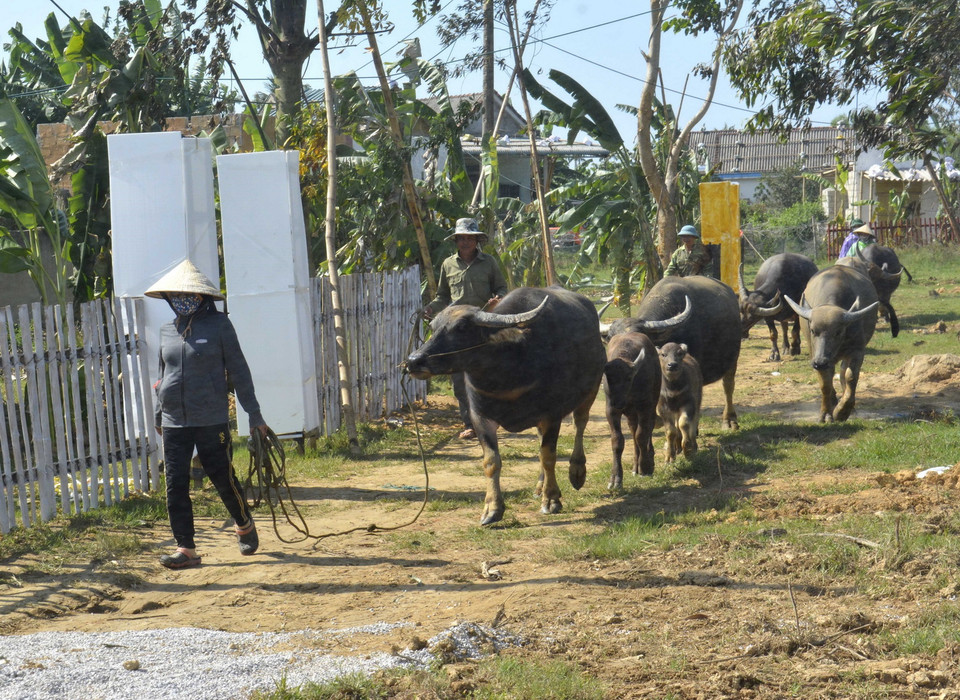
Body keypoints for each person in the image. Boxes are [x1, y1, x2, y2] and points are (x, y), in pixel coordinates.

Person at [145, 259, 270, 569]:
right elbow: (164, 373)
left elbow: (239, 371)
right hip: (175, 419)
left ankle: (244, 524)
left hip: (211, 417)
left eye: (184, 294)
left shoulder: (219, 326)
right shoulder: (167, 331)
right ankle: (186, 549)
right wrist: (160, 413)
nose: (179, 299)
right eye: (174, 295)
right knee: (175, 483)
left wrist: (254, 414)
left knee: (222, 477)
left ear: (200, 296)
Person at [423, 218, 508, 440]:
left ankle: (491, 419)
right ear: (456, 241)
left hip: (482, 325)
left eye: (469, 238)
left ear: (477, 240)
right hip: (457, 329)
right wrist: (431, 308)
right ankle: (470, 424)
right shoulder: (448, 264)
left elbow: (501, 288)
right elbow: (442, 296)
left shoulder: (488, 263)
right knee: (460, 379)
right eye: (461, 238)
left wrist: (497, 300)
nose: (465, 242)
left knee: (489, 374)